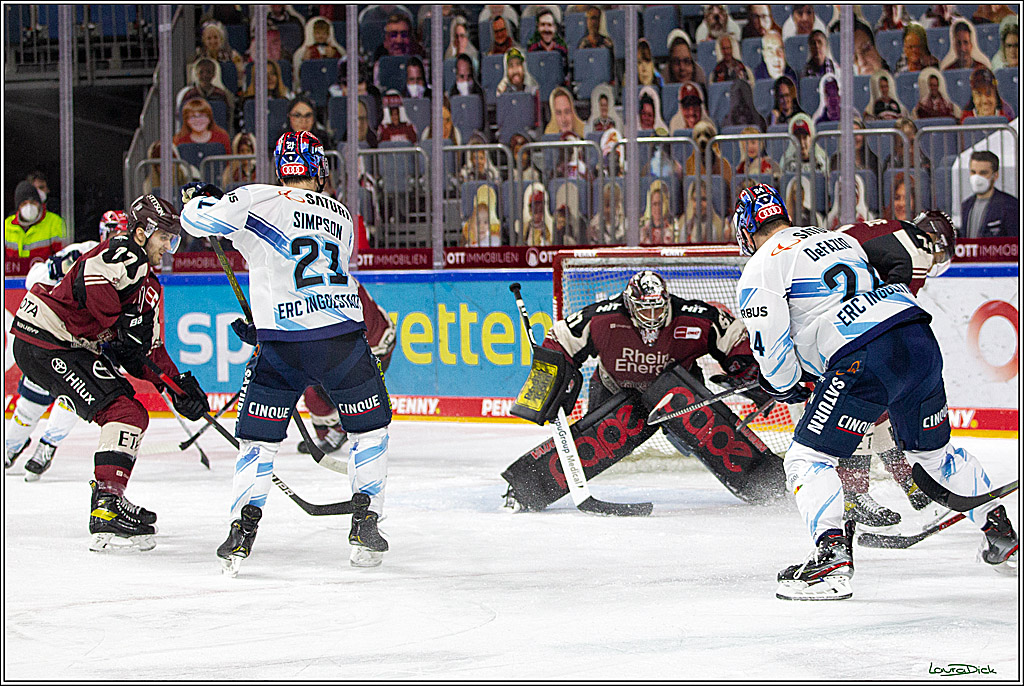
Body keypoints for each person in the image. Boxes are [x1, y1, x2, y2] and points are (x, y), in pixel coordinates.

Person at [732, 184, 1019, 600]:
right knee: (934, 454)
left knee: (807, 456)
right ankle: (1000, 532)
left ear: (745, 229)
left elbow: (775, 360)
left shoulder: (762, 266)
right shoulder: (831, 237)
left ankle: (830, 563)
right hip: (917, 338)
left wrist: (788, 385)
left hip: (863, 356)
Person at [179, 131, 393, 573]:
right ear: (320, 169)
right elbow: (307, 262)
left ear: (281, 167)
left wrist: (199, 198)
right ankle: (365, 524)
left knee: (257, 442)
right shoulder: (344, 215)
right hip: (343, 340)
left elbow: (199, 224)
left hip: (283, 349)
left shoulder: (259, 197)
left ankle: (242, 529)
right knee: (369, 433)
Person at [11, 195, 207, 551]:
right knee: (122, 412)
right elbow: (92, 280)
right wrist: (117, 326)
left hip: (61, 344)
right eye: (164, 237)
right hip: (49, 338)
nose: (168, 246)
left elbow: (146, 353)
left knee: (130, 412)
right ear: (143, 232)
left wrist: (177, 386)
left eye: (171, 239)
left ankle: (108, 498)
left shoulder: (150, 285)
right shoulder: (126, 251)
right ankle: (106, 506)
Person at [502, 269, 781, 512]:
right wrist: (552, 376)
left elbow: (733, 335)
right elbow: (561, 338)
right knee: (598, 440)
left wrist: (744, 368)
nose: (652, 316)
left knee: (713, 432)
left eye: (657, 309)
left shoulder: (694, 316)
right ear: (628, 304)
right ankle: (527, 486)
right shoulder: (603, 318)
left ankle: (769, 483)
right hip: (616, 392)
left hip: (676, 397)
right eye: (644, 309)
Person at [4, 211, 128, 481]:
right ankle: (10, 447)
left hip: (92, 346)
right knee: (30, 403)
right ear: (103, 233)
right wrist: (55, 275)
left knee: (77, 395)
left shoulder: (134, 269)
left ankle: (47, 445)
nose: (118, 241)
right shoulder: (81, 254)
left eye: (123, 235)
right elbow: (33, 279)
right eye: (113, 234)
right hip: (56, 336)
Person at [297, 279, 398, 454]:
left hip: (371, 352)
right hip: (373, 345)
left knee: (318, 392)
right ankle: (337, 430)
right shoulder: (331, 280)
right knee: (317, 390)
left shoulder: (332, 294)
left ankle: (343, 430)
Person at [5, 181, 68, 260]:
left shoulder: (55, 223)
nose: (29, 207)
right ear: (18, 207)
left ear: (39, 203)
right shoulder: (7, 226)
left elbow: (64, 258)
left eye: (33, 202)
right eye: (24, 203)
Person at [961, 150, 1019, 237]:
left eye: (983, 173)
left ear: (995, 176)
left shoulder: (1010, 206)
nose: (977, 178)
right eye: (973, 172)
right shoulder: (966, 205)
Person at [176, 58, 235, 130]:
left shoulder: (221, 95)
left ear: (214, 74)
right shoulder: (189, 95)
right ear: (196, 74)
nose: (205, 75)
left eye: (209, 72)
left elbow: (228, 119)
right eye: (201, 72)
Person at [639, 179, 676, 244]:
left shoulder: (674, 227)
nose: (658, 208)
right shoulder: (642, 228)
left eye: (660, 204)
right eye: (654, 204)